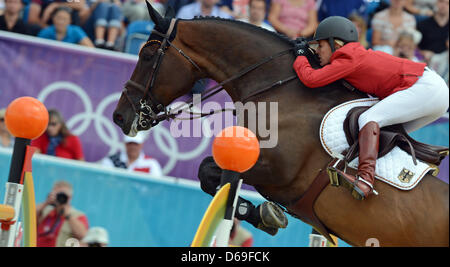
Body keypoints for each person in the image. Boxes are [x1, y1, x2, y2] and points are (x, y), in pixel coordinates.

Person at [292, 16, 449, 200]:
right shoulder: (351, 56)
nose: (317, 50)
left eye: (321, 45)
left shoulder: (347, 56)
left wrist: (301, 56)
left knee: (368, 119)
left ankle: (365, 180)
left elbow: (311, 79)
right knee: (386, 133)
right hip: (433, 90)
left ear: (336, 44)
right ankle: (417, 163)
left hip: (425, 88)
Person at [36, 180, 89, 247]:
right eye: (58, 195)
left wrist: (68, 216)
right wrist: (46, 203)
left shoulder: (78, 216)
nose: (60, 198)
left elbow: (83, 236)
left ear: (70, 198)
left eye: (63, 195)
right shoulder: (46, 210)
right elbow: (29, 218)